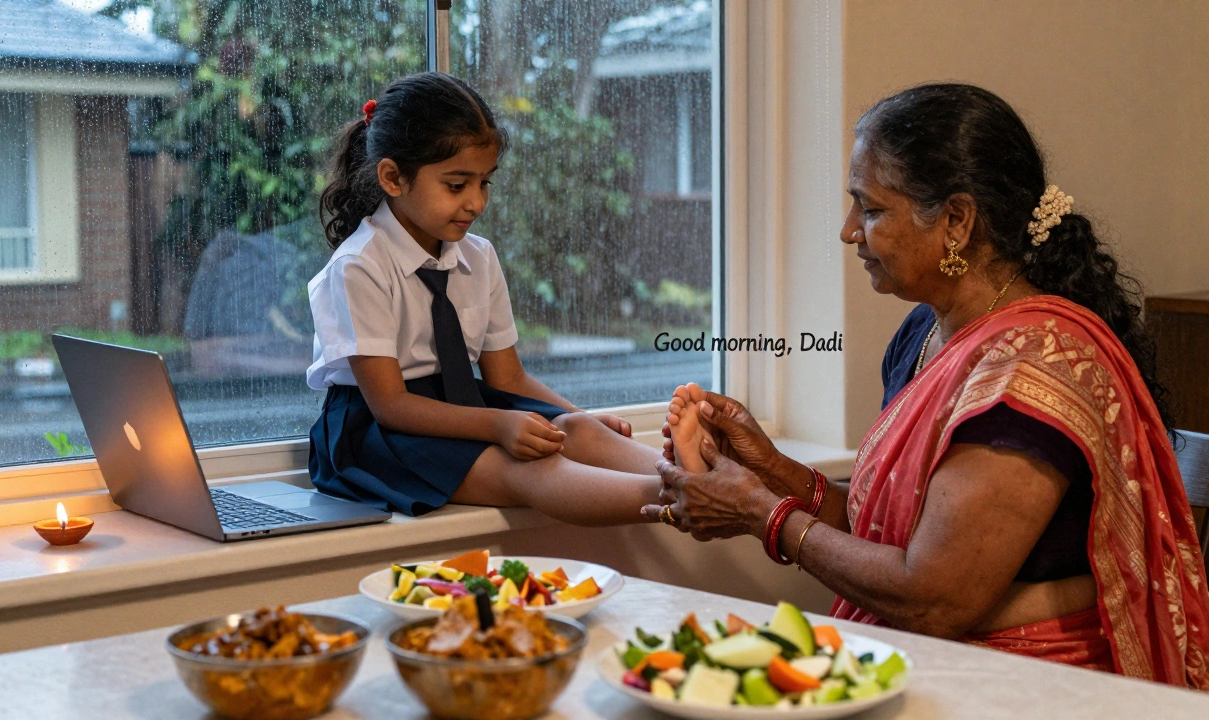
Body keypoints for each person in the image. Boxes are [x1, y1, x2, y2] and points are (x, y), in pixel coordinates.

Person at [648, 83, 1209, 688]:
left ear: (956, 221)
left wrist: (761, 512)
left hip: (1031, 682)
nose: (847, 232)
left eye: (870, 209)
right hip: (938, 658)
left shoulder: (1033, 368)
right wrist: (772, 470)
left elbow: (935, 597)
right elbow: (886, 535)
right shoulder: (923, 333)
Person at [306, 72, 662, 524]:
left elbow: (509, 380)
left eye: (485, 183)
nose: (476, 202)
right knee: (530, 468)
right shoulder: (359, 266)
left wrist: (579, 416)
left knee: (579, 433)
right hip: (379, 429)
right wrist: (497, 424)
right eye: (457, 185)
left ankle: (701, 481)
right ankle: (683, 499)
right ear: (394, 178)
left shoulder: (479, 256)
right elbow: (391, 405)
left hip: (464, 405)